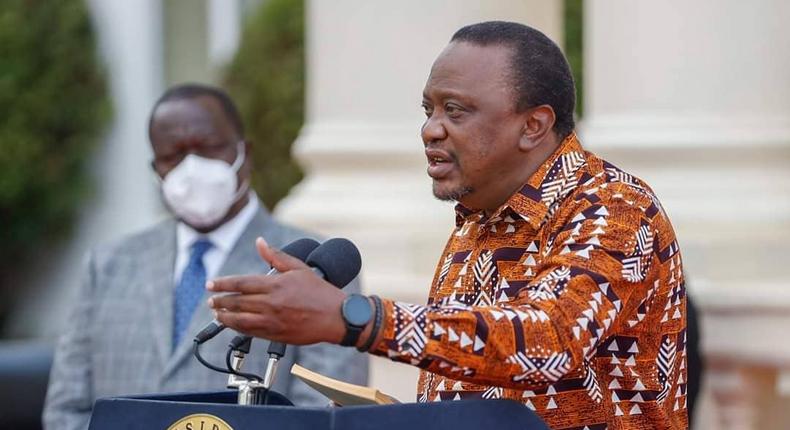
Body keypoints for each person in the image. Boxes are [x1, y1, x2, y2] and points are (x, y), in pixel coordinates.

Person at [207, 22, 688, 429]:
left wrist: (354, 318)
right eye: (429, 110)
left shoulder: (614, 207)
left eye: (455, 111)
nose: (430, 129)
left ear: (534, 125)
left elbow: (550, 341)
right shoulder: (475, 222)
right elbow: (490, 388)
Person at [43, 84, 368, 429]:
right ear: (156, 168)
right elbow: (67, 410)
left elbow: (326, 415)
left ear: (245, 153)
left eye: (208, 149)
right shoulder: (106, 264)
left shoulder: (316, 266)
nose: (191, 168)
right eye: (173, 155)